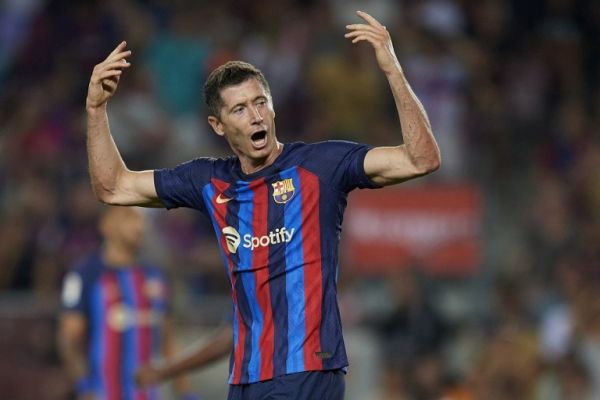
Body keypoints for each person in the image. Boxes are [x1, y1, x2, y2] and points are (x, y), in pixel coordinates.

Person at [85, 10, 441, 400]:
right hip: (245, 377)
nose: (255, 116)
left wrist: (392, 70)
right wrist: (96, 110)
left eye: (260, 103)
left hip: (310, 369)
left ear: (272, 109)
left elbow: (421, 158)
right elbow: (113, 187)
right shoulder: (208, 180)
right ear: (217, 126)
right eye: (239, 109)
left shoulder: (321, 166)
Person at [58, 206, 196, 400]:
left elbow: (168, 342)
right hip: (103, 394)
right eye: (129, 218)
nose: (139, 226)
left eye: (141, 220)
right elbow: (69, 340)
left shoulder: (156, 277)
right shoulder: (85, 274)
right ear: (106, 225)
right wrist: (84, 386)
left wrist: (185, 392)